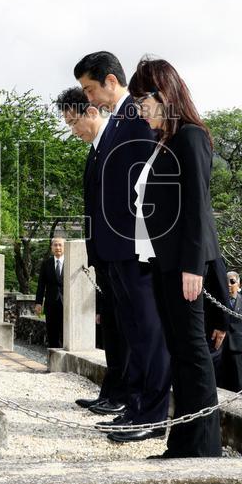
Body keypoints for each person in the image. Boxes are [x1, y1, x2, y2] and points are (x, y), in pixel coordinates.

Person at [128, 56, 228, 458]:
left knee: (193, 353)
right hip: (162, 264)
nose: (138, 109)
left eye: (142, 100)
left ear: (163, 94)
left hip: (182, 266)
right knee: (180, 354)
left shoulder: (191, 137)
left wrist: (192, 266)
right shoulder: (163, 141)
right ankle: (182, 443)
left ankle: (203, 447)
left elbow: (198, 209)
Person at [74, 53, 172, 443]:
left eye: (90, 89)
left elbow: (146, 183)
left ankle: (150, 414)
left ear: (111, 81)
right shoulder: (119, 118)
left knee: (148, 335)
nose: (89, 97)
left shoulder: (136, 114)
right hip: (114, 246)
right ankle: (134, 406)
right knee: (133, 332)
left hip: (135, 245)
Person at [56, 87, 129, 415]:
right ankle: (110, 392)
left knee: (124, 330)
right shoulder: (95, 152)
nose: (73, 131)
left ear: (90, 112)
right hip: (103, 253)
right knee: (112, 328)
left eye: (73, 123)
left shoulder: (116, 142)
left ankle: (124, 395)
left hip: (122, 253)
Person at [216, 271, 242, 392]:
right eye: (226, 282)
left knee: (237, 378)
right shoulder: (218, 301)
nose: (229, 285)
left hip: (238, 345)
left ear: (238, 283)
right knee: (221, 376)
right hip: (221, 344)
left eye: (232, 282)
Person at [35, 237, 66, 349]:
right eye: (55, 245)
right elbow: (41, 284)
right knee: (52, 332)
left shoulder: (71, 262)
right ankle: (53, 359)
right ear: (51, 247)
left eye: (60, 245)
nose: (58, 247)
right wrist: (38, 303)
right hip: (51, 303)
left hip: (66, 303)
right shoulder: (46, 264)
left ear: (64, 247)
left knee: (65, 332)